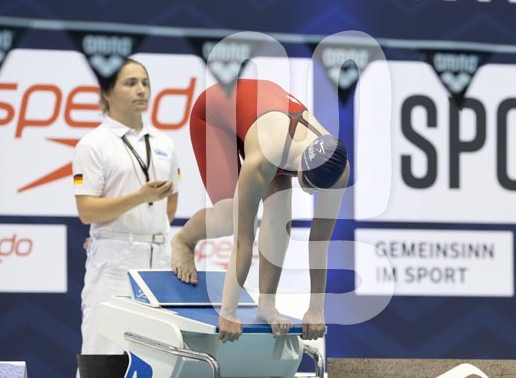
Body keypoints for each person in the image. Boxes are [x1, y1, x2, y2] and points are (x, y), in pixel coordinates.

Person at [171, 79, 349, 343]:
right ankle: (183, 241)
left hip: (265, 119)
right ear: (300, 166)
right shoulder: (264, 158)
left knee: (281, 218)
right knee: (230, 216)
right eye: (308, 184)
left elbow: (320, 240)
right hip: (214, 116)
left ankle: (266, 304)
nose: (310, 193)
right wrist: (228, 312)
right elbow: (243, 241)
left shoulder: (339, 169)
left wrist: (316, 309)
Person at [73, 59, 180, 355]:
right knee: (103, 353)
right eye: (130, 83)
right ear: (107, 93)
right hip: (114, 262)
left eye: (145, 83)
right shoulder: (93, 144)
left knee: (159, 355)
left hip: (158, 260)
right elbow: (87, 210)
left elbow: (171, 202)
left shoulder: (165, 143)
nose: (141, 90)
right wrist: (138, 198)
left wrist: (150, 228)